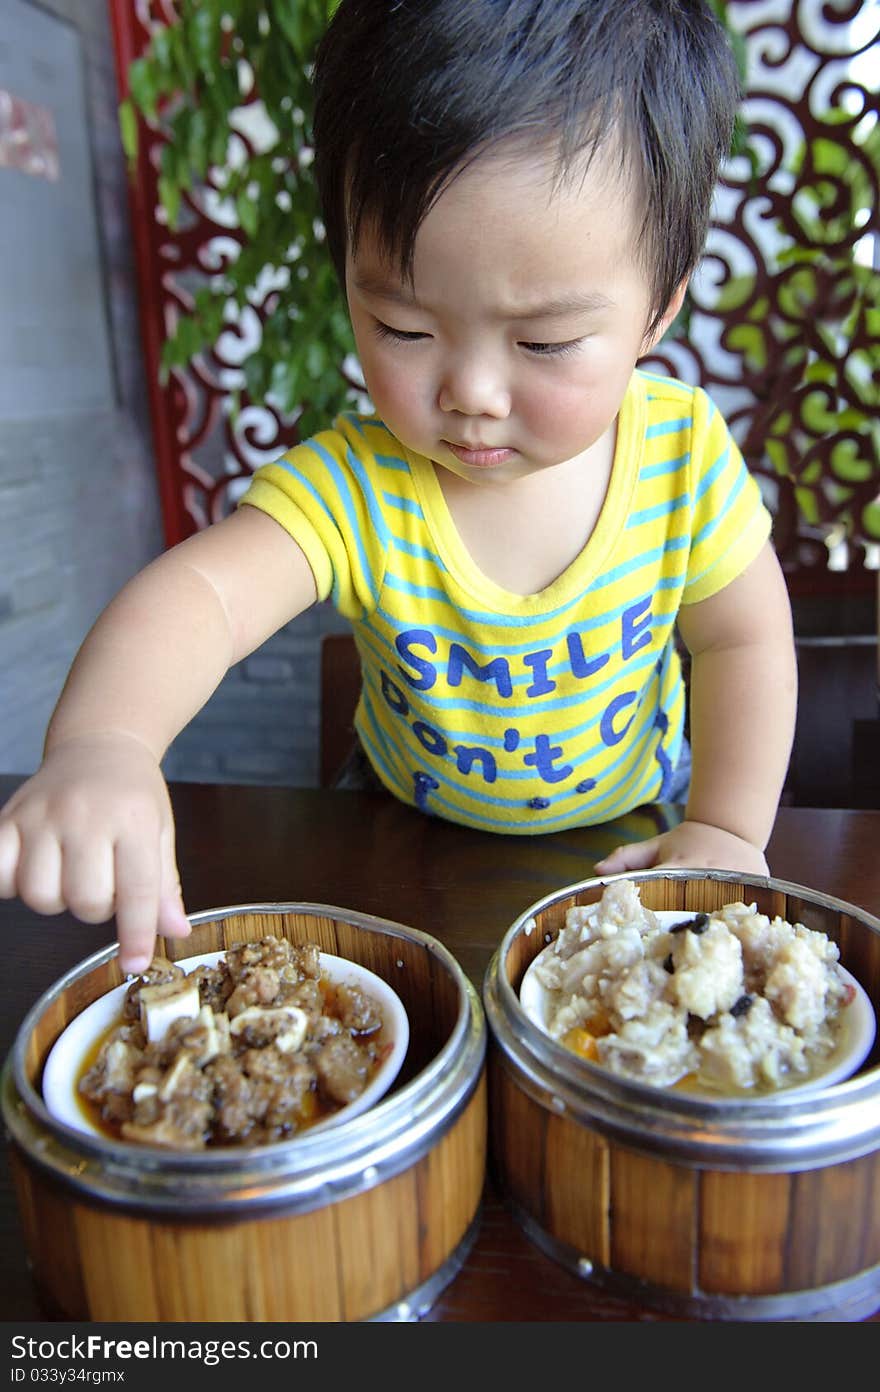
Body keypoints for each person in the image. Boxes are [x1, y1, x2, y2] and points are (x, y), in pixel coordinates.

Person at [0, 0, 797, 974]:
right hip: (393, 835)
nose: (470, 392)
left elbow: (742, 636)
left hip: (635, 830)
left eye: (544, 342)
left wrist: (724, 825)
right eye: (403, 330)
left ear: (656, 310)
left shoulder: (679, 454)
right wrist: (105, 745)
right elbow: (199, 600)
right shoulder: (357, 482)